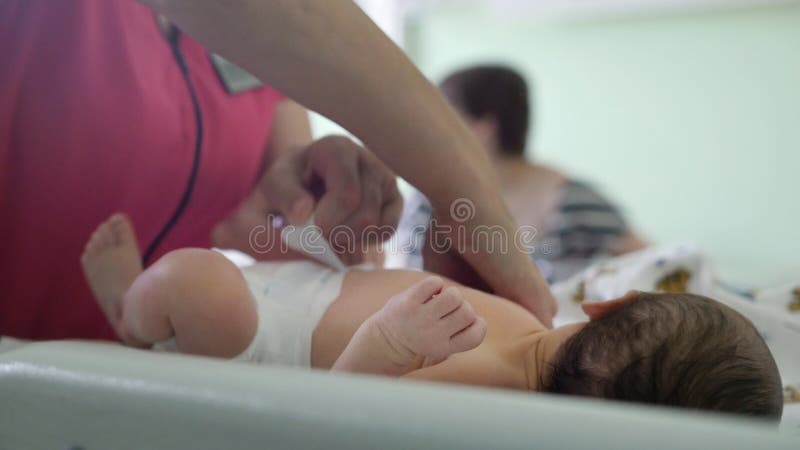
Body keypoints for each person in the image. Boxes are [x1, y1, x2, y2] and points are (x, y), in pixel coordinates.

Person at [0, 0, 554, 342]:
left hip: (148, 372)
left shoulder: (266, 61)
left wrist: (306, 207)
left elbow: (275, 235)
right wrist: (469, 189)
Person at [81, 214, 783, 419]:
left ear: (612, 303)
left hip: (262, 346)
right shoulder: (528, 321)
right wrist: (366, 267)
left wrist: (386, 341)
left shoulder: (492, 395)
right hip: (312, 287)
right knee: (270, 241)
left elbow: (336, 418)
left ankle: (128, 316)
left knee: (196, 281)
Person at [436, 65, 649, 282]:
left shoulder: (574, 201)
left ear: (485, 128)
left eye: (445, 118)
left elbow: (655, 266)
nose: (434, 131)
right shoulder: (430, 202)